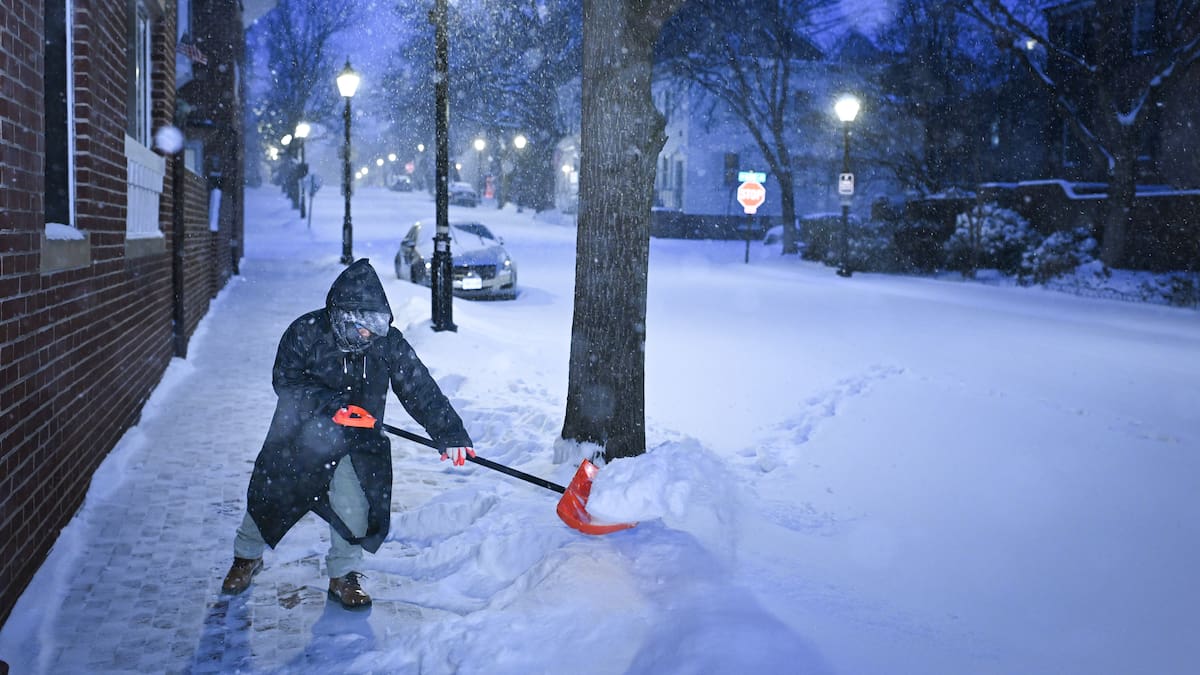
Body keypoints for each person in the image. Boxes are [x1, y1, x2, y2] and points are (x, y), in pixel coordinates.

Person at [221, 259, 475, 608]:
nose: (369, 335)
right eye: (362, 327)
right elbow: (286, 381)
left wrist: (450, 433)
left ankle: (344, 575)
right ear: (342, 317)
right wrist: (330, 406)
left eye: (375, 327)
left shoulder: (386, 343)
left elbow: (420, 388)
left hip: (359, 440)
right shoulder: (305, 332)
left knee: (355, 506)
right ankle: (246, 556)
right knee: (270, 496)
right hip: (300, 435)